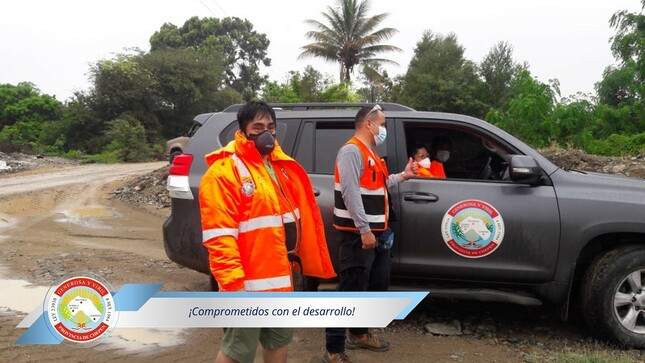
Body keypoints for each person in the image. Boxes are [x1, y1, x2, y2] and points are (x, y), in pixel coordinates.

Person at [199, 100, 336, 363]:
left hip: (280, 280)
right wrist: (233, 285)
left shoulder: (278, 166)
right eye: (258, 126)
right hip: (246, 285)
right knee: (237, 351)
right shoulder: (224, 172)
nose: (266, 132)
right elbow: (220, 236)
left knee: (278, 342)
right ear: (242, 130)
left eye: (271, 126)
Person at [323, 105, 418, 363]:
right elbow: (350, 193)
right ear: (368, 124)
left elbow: (378, 184)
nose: (383, 128)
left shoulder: (370, 153)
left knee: (375, 284)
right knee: (350, 290)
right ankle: (334, 349)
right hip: (358, 235)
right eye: (382, 123)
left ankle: (359, 333)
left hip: (377, 234)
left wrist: (403, 176)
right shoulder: (352, 151)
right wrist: (364, 229)